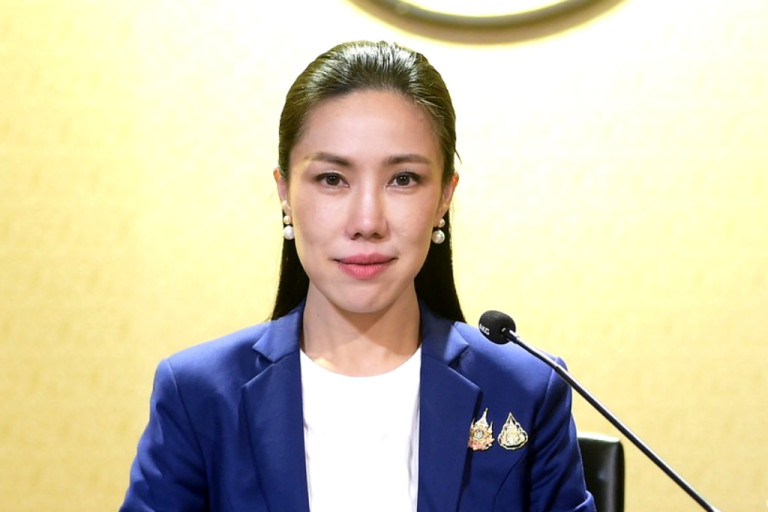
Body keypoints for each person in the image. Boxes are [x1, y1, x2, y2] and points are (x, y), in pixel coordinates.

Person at [120, 40, 595, 512]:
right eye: (332, 179)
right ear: (285, 192)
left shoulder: (526, 390)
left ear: (444, 198)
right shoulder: (198, 395)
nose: (367, 221)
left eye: (403, 179)